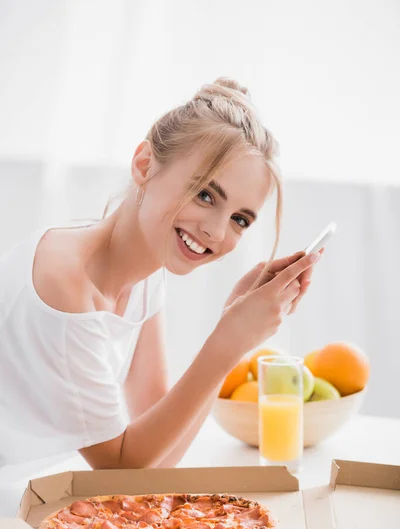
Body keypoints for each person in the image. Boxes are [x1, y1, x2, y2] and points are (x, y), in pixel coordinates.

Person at [0, 77, 321, 474]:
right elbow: (121, 470)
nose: (216, 233)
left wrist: (232, 328)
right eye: (205, 195)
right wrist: (228, 340)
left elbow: (156, 457)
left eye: (239, 219)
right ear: (144, 165)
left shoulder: (145, 273)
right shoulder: (64, 283)